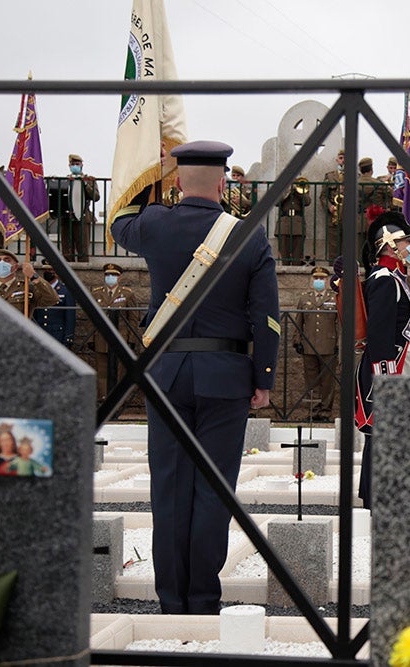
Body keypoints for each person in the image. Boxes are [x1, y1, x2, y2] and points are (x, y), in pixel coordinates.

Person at [110, 139, 280, 615]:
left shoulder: (156, 225)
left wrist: (152, 178)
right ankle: (203, 600)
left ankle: (171, 601)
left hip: (165, 375)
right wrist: (263, 378)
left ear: (178, 180)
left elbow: (118, 221)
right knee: (213, 489)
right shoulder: (248, 234)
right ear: (224, 180)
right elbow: (265, 313)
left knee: (168, 488)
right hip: (226, 377)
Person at [355, 211, 410, 509]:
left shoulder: (396, 276)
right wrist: (386, 377)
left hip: (402, 363)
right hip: (391, 367)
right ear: (389, 244)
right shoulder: (384, 279)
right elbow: (380, 334)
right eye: (407, 240)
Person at [294, 266, 340, 421]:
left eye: (322, 279)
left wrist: (340, 343)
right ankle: (313, 411)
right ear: (311, 280)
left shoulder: (334, 298)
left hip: (329, 345)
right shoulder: (304, 298)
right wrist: (297, 341)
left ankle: (326, 412)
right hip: (309, 345)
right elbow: (299, 322)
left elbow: (339, 323)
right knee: (311, 380)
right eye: (316, 278)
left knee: (328, 381)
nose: (319, 281)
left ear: (327, 281)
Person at [91, 263, 139, 401]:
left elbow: (133, 319)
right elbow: (91, 317)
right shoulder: (97, 293)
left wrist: (131, 339)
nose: (110, 277)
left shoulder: (127, 294)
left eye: (113, 275)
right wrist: (91, 339)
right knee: (102, 372)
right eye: (107, 275)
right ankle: (103, 399)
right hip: (102, 338)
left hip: (121, 338)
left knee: (119, 372)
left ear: (119, 277)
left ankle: (118, 401)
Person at [52, 154, 101, 262]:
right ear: (69, 166)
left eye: (77, 164)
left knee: (82, 250)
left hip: (83, 218)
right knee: (67, 251)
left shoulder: (89, 179)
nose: (75, 166)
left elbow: (96, 197)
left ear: (82, 165)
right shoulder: (65, 181)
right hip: (66, 218)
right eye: (73, 164)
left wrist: (85, 184)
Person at [0, 247, 59, 317]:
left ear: (16, 267)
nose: (2, 263)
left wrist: (34, 276)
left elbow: (52, 299)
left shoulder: (26, 288)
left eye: (7, 260)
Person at [33, 259, 76, 348]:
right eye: (46, 270)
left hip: (57, 334)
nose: (48, 272)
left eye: (50, 270)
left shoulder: (65, 290)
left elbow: (70, 316)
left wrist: (68, 337)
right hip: (39, 332)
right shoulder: (37, 289)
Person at [276, 176, 311, 266]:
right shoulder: (282, 186)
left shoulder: (302, 185)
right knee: (284, 253)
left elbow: (307, 201)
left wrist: (298, 192)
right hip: (284, 222)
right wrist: (287, 191)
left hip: (297, 223)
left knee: (297, 253)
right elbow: (276, 202)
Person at [320, 150, 345, 261]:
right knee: (333, 247)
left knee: (348, 247)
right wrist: (329, 206)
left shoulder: (356, 176)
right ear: (337, 160)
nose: (343, 160)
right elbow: (323, 196)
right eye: (341, 157)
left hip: (348, 214)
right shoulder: (329, 176)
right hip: (333, 215)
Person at [357, 157, 385, 252]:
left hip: (358, 219)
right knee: (374, 249)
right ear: (371, 169)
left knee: (358, 250)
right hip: (374, 218)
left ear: (360, 169)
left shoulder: (353, 184)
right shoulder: (379, 184)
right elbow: (391, 195)